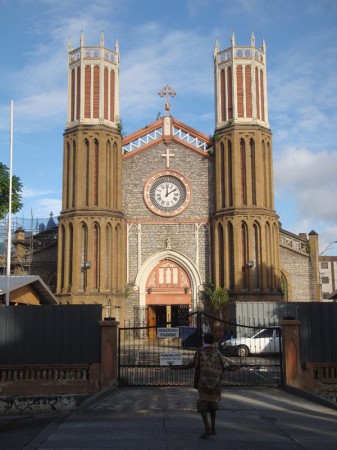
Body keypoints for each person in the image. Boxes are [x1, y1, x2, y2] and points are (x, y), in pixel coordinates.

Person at [169, 332, 237, 439]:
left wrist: (177, 368)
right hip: (215, 383)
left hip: (204, 382)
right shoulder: (217, 353)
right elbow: (226, 365)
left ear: (204, 341)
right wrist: (233, 369)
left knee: (202, 405)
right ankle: (213, 428)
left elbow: (192, 364)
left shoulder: (200, 352)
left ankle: (207, 428)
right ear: (213, 341)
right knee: (213, 405)